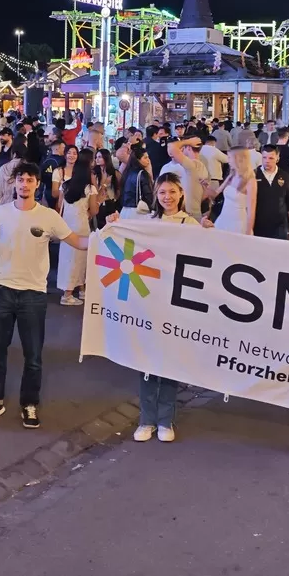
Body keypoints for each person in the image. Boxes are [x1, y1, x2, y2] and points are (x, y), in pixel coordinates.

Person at [0, 161, 90, 428]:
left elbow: (79, 242)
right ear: (14, 183)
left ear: (38, 184)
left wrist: (108, 233)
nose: (24, 184)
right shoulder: (0, 213)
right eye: (20, 180)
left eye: (30, 180)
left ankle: (30, 403)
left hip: (34, 295)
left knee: (33, 355)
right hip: (3, 290)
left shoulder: (48, 216)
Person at [129, 172, 198, 443]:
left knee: (170, 362)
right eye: (162, 192)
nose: (167, 197)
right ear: (155, 195)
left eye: (172, 191)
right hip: (150, 300)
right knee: (147, 361)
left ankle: (166, 420)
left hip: (178, 301)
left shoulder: (191, 224)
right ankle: (145, 419)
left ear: (181, 193)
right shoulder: (147, 223)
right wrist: (113, 224)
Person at [55, 149, 98, 305]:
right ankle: (68, 295)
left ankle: (79, 290)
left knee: (68, 260)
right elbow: (94, 210)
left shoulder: (65, 186)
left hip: (65, 227)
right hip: (81, 227)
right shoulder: (90, 189)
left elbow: (60, 206)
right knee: (80, 260)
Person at [210, 146, 256, 235]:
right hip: (223, 218)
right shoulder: (231, 176)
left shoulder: (250, 181)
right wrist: (205, 186)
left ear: (238, 159)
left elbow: (251, 210)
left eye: (230, 157)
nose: (228, 160)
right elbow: (215, 193)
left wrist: (248, 231)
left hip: (238, 222)